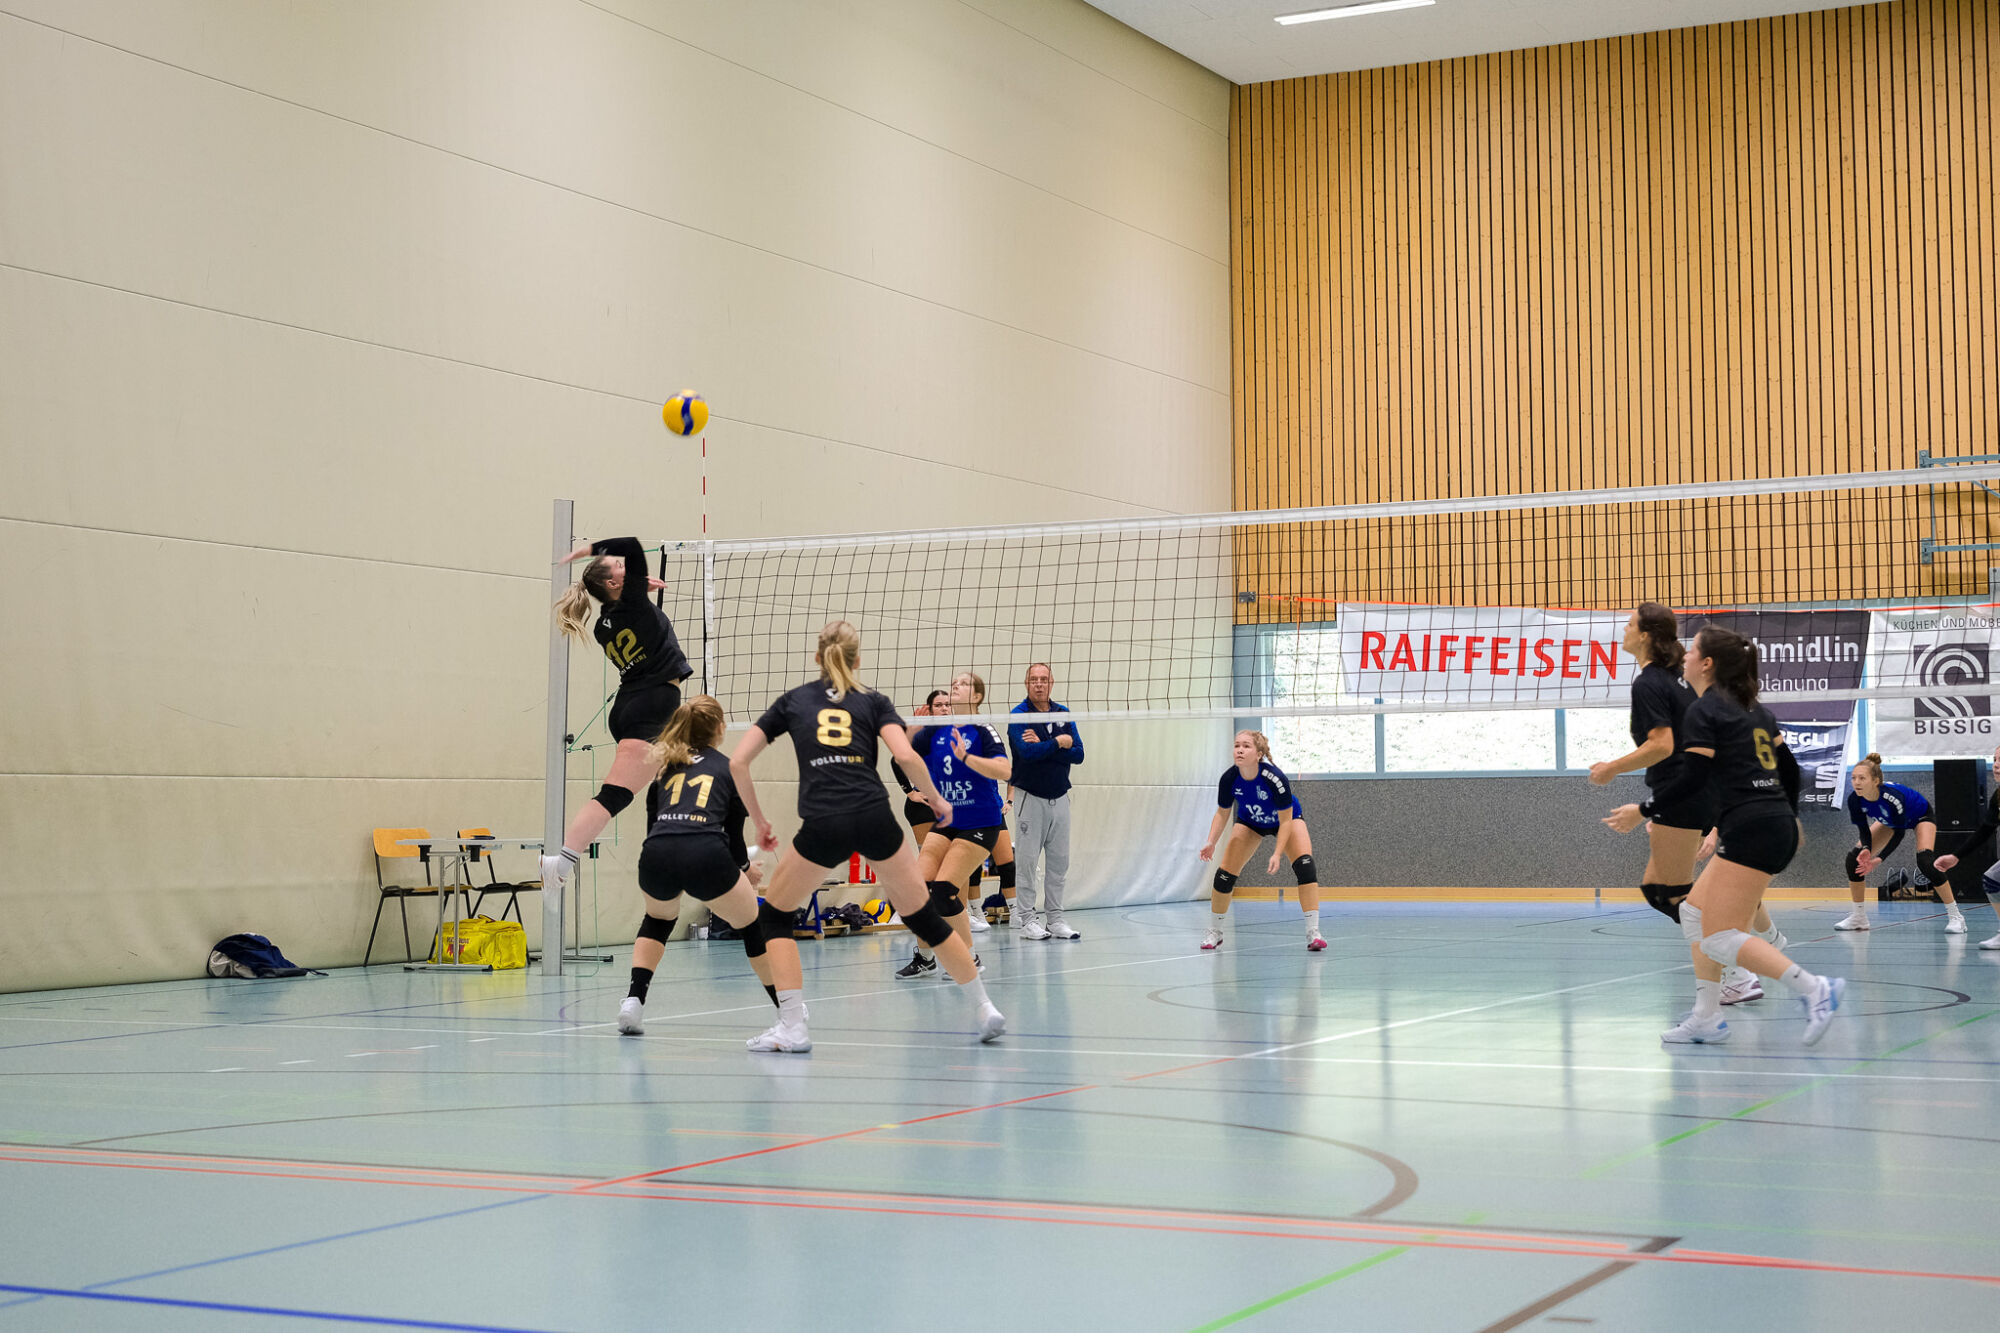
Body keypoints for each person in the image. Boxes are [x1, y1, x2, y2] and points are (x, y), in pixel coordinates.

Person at [730, 621, 1005, 1049]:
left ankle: (792, 1026)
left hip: (824, 820)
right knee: (923, 915)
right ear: (857, 661)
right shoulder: (874, 701)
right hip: (874, 815)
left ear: (817, 658)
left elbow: (737, 763)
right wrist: (937, 801)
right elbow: (906, 756)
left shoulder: (793, 701)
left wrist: (760, 821)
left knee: (775, 917)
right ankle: (985, 1008)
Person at [1607, 626, 1844, 1046]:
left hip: (1753, 829)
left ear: (1707, 663)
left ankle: (1814, 988)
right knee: (1693, 913)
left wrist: (1643, 809)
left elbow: (1692, 778)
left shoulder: (1705, 710)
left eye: (1692, 651)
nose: (1684, 656)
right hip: (1767, 824)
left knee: (1718, 936)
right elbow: (1790, 770)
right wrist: (1790, 816)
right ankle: (1706, 1016)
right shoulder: (1754, 710)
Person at [1592, 604, 1773, 1005]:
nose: (1623, 629)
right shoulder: (1680, 680)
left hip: (1683, 791)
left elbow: (1662, 745)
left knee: (1673, 895)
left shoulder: (1650, 683)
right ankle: (1750, 936)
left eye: (1630, 624)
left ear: (1645, 635)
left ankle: (1738, 970)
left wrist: (1611, 769)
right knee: (1660, 889)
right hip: (1699, 789)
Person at [617, 696, 777, 1035]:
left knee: (657, 920)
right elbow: (734, 838)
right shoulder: (730, 768)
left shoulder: (665, 769)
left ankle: (633, 1001)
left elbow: (653, 828)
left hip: (657, 854)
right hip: (705, 854)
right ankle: (788, 1010)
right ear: (720, 728)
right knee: (753, 926)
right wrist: (745, 870)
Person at [545, 537, 693, 892]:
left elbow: (632, 609)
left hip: (635, 706)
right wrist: (589, 550)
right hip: (650, 708)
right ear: (613, 583)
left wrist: (637, 588)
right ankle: (559, 862)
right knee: (614, 796)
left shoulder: (604, 624)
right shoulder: (630, 606)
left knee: (684, 779)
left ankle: (712, 860)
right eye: (620, 567)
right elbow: (632, 545)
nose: (627, 566)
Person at [894, 672, 1012, 978]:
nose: (955, 686)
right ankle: (925, 958)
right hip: (947, 821)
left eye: (963, 684)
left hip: (981, 822)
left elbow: (1004, 770)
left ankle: (969, 959)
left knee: (945, 891)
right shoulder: (936, 731)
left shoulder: (982, 729)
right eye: (954, 683)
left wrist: (967, 758)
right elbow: (902, 757)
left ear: (976, 696)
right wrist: (912, 728)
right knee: (918, 891)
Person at [1198, 731, 1326, 952]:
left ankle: (1313, 932)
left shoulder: (1274, 778)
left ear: (1258, 754)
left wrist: (1277, 853)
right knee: (1224, 875)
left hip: (1285, 820)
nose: (1239, 750)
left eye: (1246, 746)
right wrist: (1211, 842)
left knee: (1305, 865)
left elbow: (1285, 821)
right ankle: (1215, 932)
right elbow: (1222, 813)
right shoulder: (1229, 778)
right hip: (1251, 822)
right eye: (1237, 745)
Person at [1838, 754, 1962, 934]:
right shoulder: (1854, 800)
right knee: (1854, 859)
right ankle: (1859, 917)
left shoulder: (1892, 798)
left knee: (1925, 861)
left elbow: (1899, 833)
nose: (1856, 782)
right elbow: (1864, 830)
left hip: (1920, 815)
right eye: (1853, 778)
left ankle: (1956, 916)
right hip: (1889, 820)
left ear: (1875, 781)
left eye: (1862, 778)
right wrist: (1866, 849)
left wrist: (1879, 859)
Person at [1008, 662, 1084, 940]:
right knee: (1027, 863)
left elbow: (1079, 754)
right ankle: (1027, 919)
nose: (1039, 684)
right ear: (1026, 683)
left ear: (1051, 683)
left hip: (1060, 797)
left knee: (1059, 863)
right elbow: (1027, 754)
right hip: (1030, 798)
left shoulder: (1063, 713)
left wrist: (1044, 743)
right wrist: (1058, 742)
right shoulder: (1019, 715)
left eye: (1043, 679)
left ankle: (1056, 919)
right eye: (1034, 679)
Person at [1921, 742, 2000, 948]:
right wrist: (1956, 856)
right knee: (1992, 880)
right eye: (1995, 760)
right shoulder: (1998, 797)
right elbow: (1985, 830)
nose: (1996, 765)